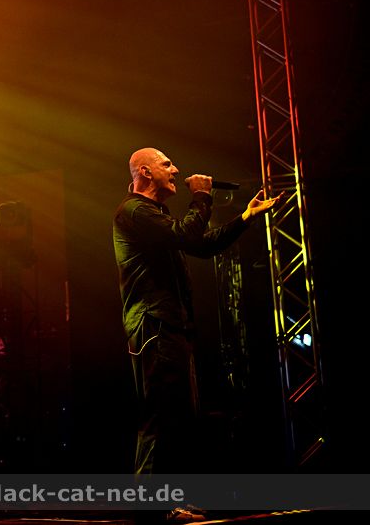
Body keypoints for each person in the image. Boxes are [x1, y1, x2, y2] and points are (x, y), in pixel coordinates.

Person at [113, 148, 283, 477]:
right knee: (160, 416)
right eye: (167, 164)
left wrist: (245, 217)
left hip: (168, 326)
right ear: (145, 172)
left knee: (178, 417)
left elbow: (201, 246)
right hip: (154, 326)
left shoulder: (152, 213)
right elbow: (188, 235)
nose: (176, 170)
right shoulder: (135, 211)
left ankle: (171, 496)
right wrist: (202, 196)